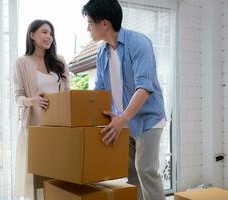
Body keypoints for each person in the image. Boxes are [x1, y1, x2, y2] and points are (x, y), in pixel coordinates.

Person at [82, 1, 166, 200]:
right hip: (123, 121)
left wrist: (123, 119)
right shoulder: (102, 53)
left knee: (145, 169)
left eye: (90, 23)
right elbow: (100, 90)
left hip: (148, 119)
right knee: (132, 175)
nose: (88, 28)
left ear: (104, 24)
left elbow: (144, 87)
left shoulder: (139, 43)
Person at [13, 19, 70, 200]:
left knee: (58, 174)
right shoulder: (22, 62)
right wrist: (32, 101)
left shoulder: (59, 61)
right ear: (32, 35)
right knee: (36, 178)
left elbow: (67, 92)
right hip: (35, 127)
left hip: (59, 127)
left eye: (51, 33)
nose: (49, 37)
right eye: (44, 32)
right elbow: (18, 97)